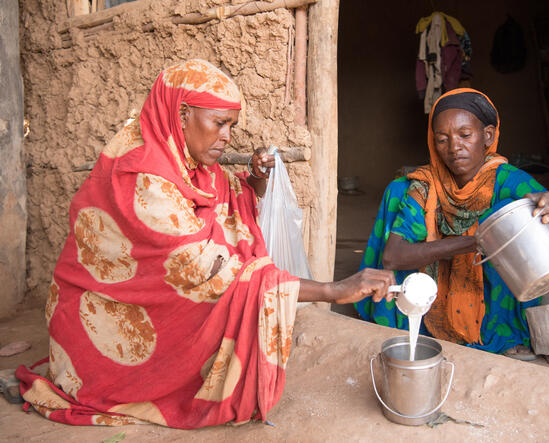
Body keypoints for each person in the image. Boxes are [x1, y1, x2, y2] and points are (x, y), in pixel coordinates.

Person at [16, 59, 395, 429]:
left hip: (141, 306)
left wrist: (257, 181)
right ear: (181, 114)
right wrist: (333, 290)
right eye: (219, 123)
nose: (227, 135)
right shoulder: (141, 177)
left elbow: (222, 200)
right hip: (103, 324)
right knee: (225, 294)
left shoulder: (182, 159)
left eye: (231, 125)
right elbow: (206, 268)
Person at [355, 88, 549, 359]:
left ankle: (503, 331)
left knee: (509, 212)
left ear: (488, 135)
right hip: (428, 302)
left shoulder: (510, 183)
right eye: (442, 139)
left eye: (465, 135)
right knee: (397, 189)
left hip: (491, 311)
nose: (454, 147)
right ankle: (402, 321)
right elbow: (393, 256)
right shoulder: (424, 186)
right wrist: (474, 242)